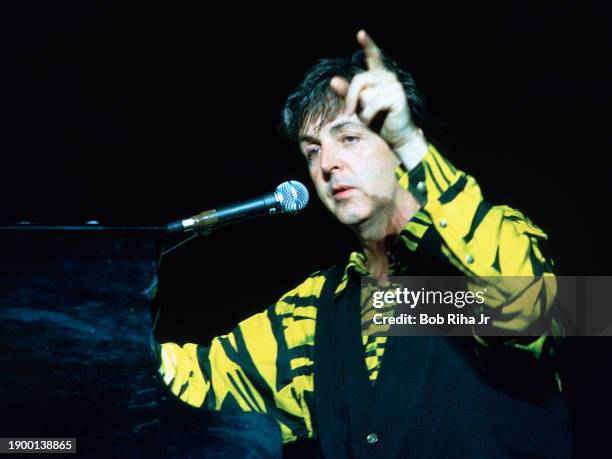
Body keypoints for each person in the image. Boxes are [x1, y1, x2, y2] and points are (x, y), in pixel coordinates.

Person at [156, 30, 571, 458]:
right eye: (312, 150)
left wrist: (413, 146)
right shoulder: (316, 306)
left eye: (349, 138)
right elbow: (200, 380)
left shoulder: (498, 237)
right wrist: (94, 328)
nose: (327, 163)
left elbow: (527, 314)